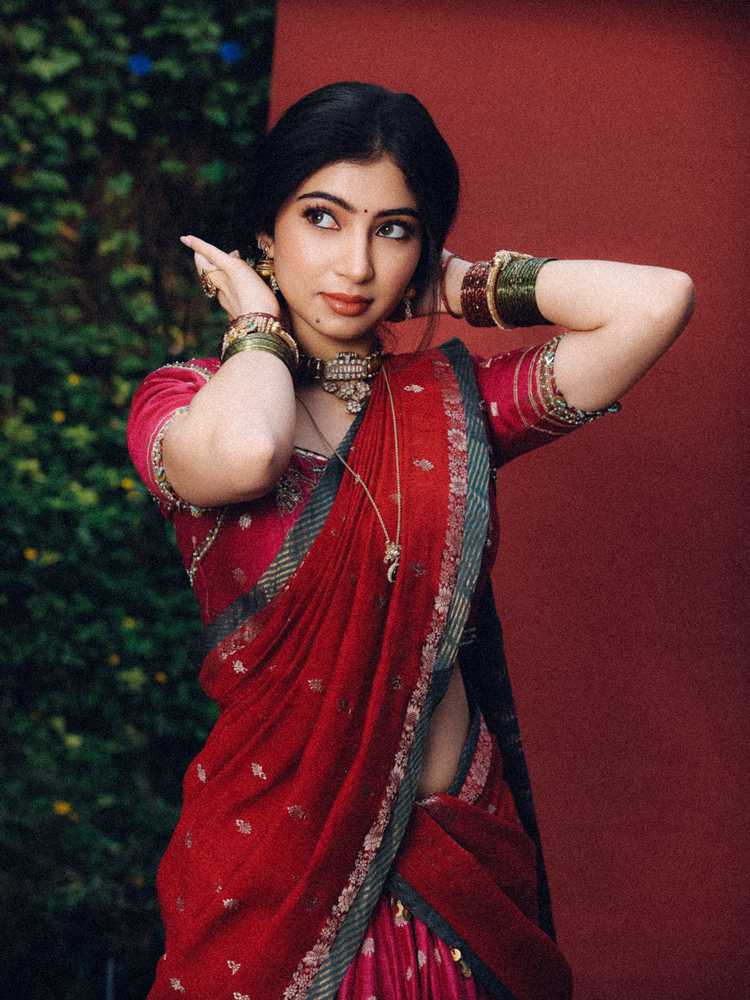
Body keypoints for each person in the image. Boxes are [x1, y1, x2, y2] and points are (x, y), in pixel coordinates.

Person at [127, 81, 695, 1000]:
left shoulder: (453, 406)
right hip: (276, 862)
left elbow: (657, 302)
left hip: (455, 859)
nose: (356, 263)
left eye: (392, 229)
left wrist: (460, 282)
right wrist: (257, 328)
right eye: (322, 217)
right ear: (266, 230)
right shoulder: (186, 398)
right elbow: (248, 453)